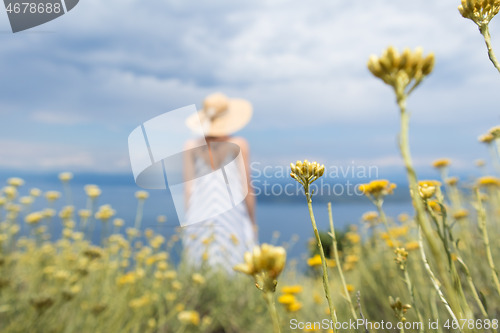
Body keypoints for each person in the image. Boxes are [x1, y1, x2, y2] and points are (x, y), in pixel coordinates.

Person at [181, 92, 257, 272]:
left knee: (199, 267)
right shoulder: (239, 144)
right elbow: (247, 187)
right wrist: (252, 222)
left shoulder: (190, 146)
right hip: (231, 212)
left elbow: (188, 189)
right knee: (236, 265)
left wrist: (188, 219)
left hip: (199, 213)